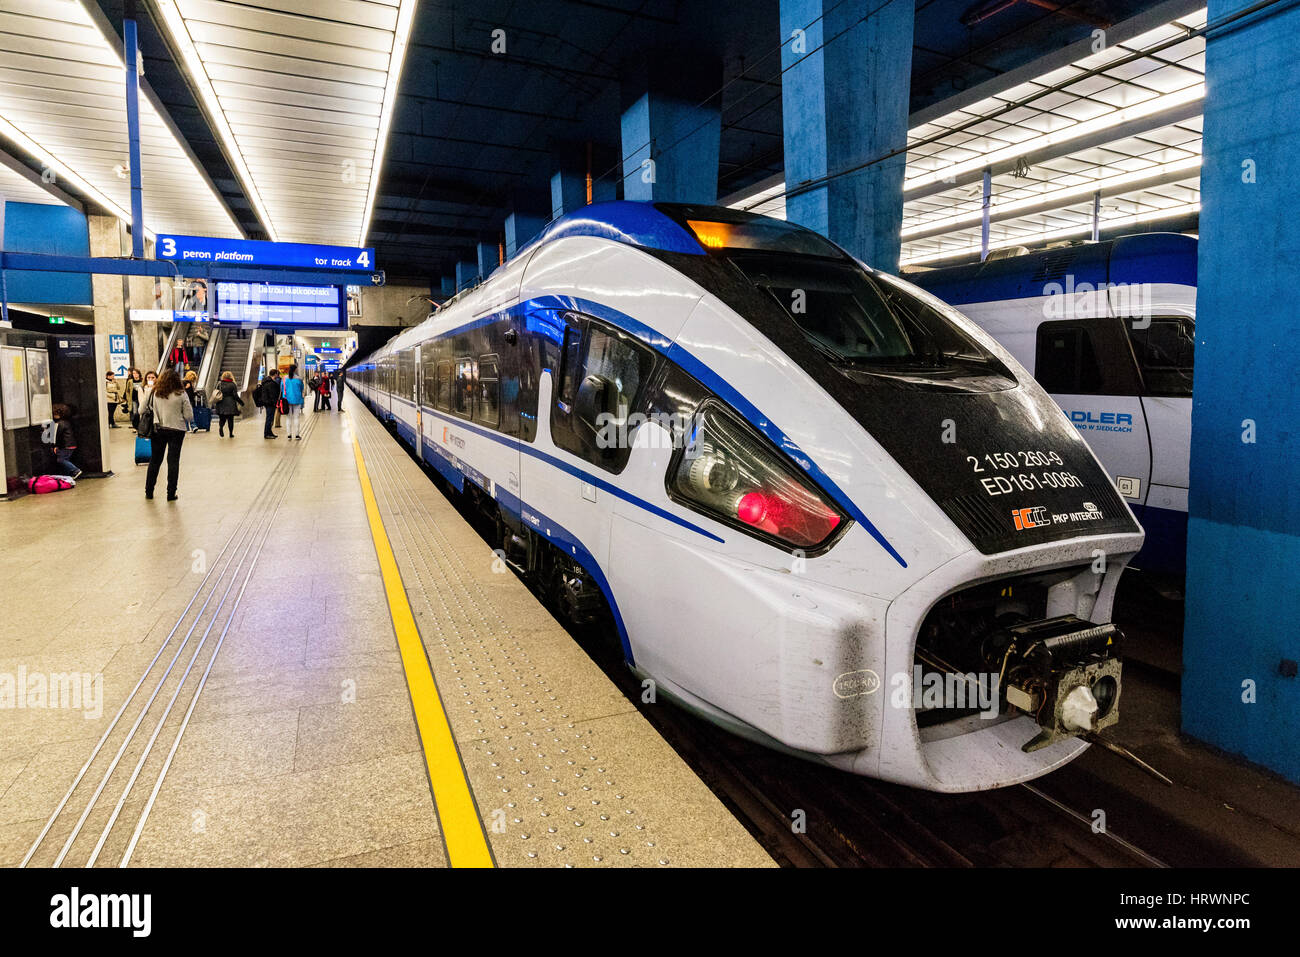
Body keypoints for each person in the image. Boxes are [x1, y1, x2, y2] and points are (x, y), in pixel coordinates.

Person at [142, 369, 193, 501]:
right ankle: (171, 494)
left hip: (158, 429)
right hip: (177, 431)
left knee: (155, 460)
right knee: (173, 461)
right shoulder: (181, 394)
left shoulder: (153, 392)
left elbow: (141, 410)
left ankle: (149, 491)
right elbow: (189, 416)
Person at [47, 404, 81, 479]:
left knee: (61, 460)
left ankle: (75, 470)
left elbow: (57, 436)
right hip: (71, 444)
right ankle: (67, 475)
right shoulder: (67, 422)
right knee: (65, 459)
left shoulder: (59, 424)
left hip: (65, 445)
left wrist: (55, 446)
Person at [213, 371, 244, 437]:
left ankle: (221, 427)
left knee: (222, 418)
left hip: (221, 402)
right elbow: (235, 395)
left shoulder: (219, 384)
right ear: (231, 376)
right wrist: (241, 402)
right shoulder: (233, 384)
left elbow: (217, 392)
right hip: (230, 403)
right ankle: (230, 433)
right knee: (230, 420)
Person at [281, 363, 305, 440]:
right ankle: (297, 435)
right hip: (297, 400)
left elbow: (282, 389)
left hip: (286, 400)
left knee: (288, 418)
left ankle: (289, 435)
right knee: (296, 418)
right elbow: (302, 389)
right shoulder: (299, 379)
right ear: (295, 370)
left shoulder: (284, 379)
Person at [257, 370, 282, 439]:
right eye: (277, 374)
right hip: (270, 403)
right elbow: (272, 395)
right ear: (275, 374)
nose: (278, 375)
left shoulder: (266, 381)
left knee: (270, 418)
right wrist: (275, 402)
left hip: (268, 403)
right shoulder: (270, 383)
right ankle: (267, 433)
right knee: (269, 419)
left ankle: (269, 432)